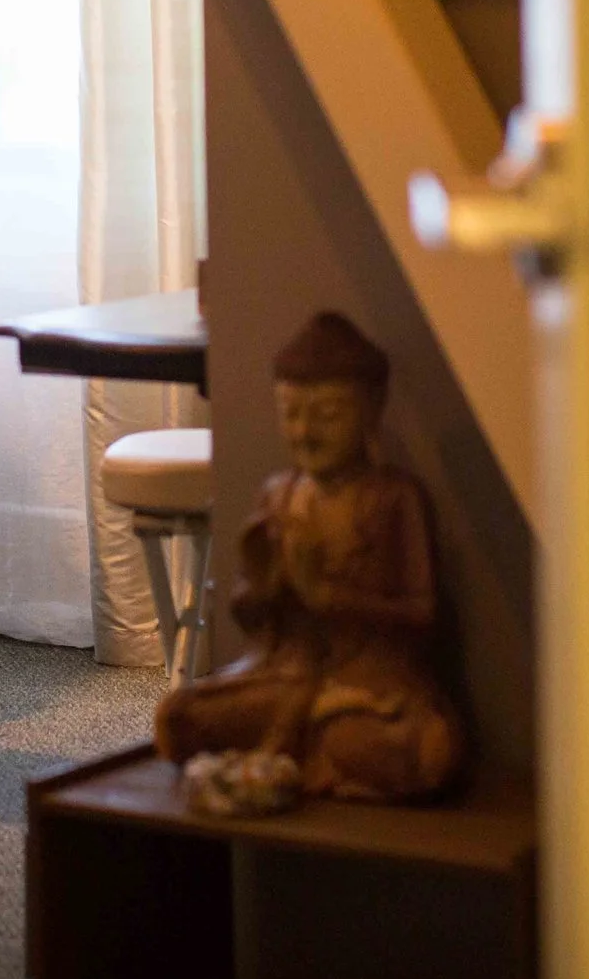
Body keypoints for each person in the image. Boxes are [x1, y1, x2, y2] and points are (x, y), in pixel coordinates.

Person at [153, 313, 464, 804]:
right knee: (176, 718)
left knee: (424, 750)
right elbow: (248, 614)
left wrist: (328, 596)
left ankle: (293, 757)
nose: (305, 432)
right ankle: (304, 759)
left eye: (328, 415)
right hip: (286, 677)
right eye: (291, 412)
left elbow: (423, 616)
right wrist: (268, 584)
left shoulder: (394, 498)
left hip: (365, 689)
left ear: (371, 410)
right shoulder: (278, 496)